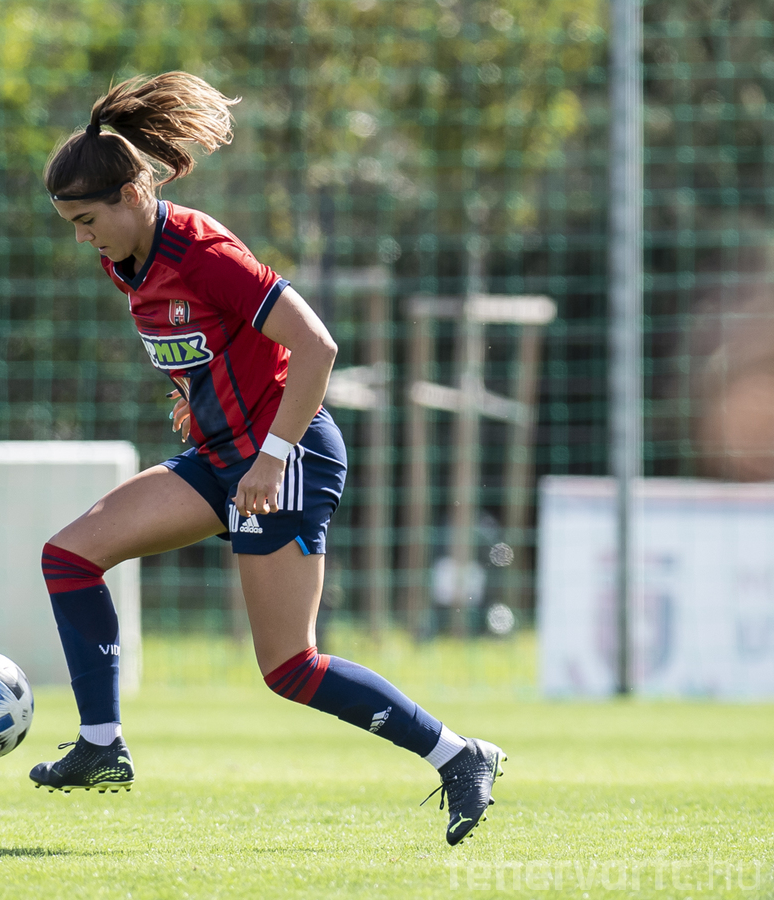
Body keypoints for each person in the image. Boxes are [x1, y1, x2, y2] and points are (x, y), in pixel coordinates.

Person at [28, 72, 505, 846]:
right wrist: (195, 394)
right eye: (71, 225)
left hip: (288, 455)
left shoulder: (203, 250)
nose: (82, 238)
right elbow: (207, 344)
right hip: (222, 456)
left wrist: (272, 457)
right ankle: (101, 745)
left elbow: (316, 346)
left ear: (133, 195)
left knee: (289, 666)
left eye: (87, 221)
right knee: (69, 558)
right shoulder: (125, 258)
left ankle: (460, 755)